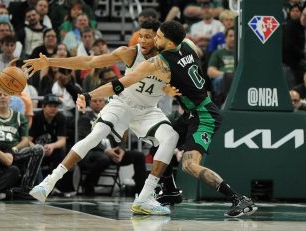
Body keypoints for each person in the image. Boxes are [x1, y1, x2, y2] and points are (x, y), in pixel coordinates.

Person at [71, 20, 257, 218]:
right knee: (158, 143)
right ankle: (170, 190)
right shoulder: (187, 44)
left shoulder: (160, 62)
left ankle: (239, 199)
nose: (154, 39)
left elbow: (121, 84)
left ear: (169, 43)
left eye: (158, 37)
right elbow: (197, 56)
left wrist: (90, 95)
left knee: (189, 165)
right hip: (190, 112)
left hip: (204, 115)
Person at [24, 20, 180, 215]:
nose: (142, 40)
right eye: (140, 35)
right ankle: (50, 181)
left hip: (148, 110)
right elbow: (89, 62)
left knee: (171, 137)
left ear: (159, 38)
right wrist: (49, 62)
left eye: (148, 36)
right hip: (122, 103)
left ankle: (145, 196)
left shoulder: (170, 61)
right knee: (97, 134)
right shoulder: (131, 52)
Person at [77, 96, 146, 196]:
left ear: (104, 103)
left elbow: (122, 134)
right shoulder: (85, 119)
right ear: (90, 104)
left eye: (100, 101)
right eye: (95, 101)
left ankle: (140, 190)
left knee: (139, 155)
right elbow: (86, 139)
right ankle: (89, 185)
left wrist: (122, 149)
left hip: (113, 152)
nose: (97, 103)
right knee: (103, 158)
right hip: (94, 152)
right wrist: (106, 150)